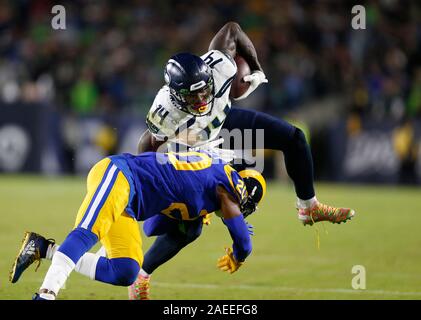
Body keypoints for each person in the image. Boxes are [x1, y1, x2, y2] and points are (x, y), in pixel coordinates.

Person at [132, 21, 355, 299]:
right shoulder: (165, 111)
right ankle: (141, 275)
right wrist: (146, 183)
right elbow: (147, 143)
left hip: (224, 124)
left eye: (205, 91)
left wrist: (256, 66)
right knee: (189, 228)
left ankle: (308, 207)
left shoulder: (220, 67)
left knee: (294, 138)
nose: (202, 99)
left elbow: (233, 29)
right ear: (177, 95)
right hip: (192, 145)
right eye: (194, 96)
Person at [9, 150, 266, 300]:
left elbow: (151, 227)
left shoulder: (211, 188)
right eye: (244, 209)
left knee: (126, 271)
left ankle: (43, 248)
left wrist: (192, 218)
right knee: (88, 233)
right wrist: (238, 254)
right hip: (121, 175)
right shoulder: (229, 187)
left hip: (131, 204)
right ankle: (45, 294)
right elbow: (244, 243)